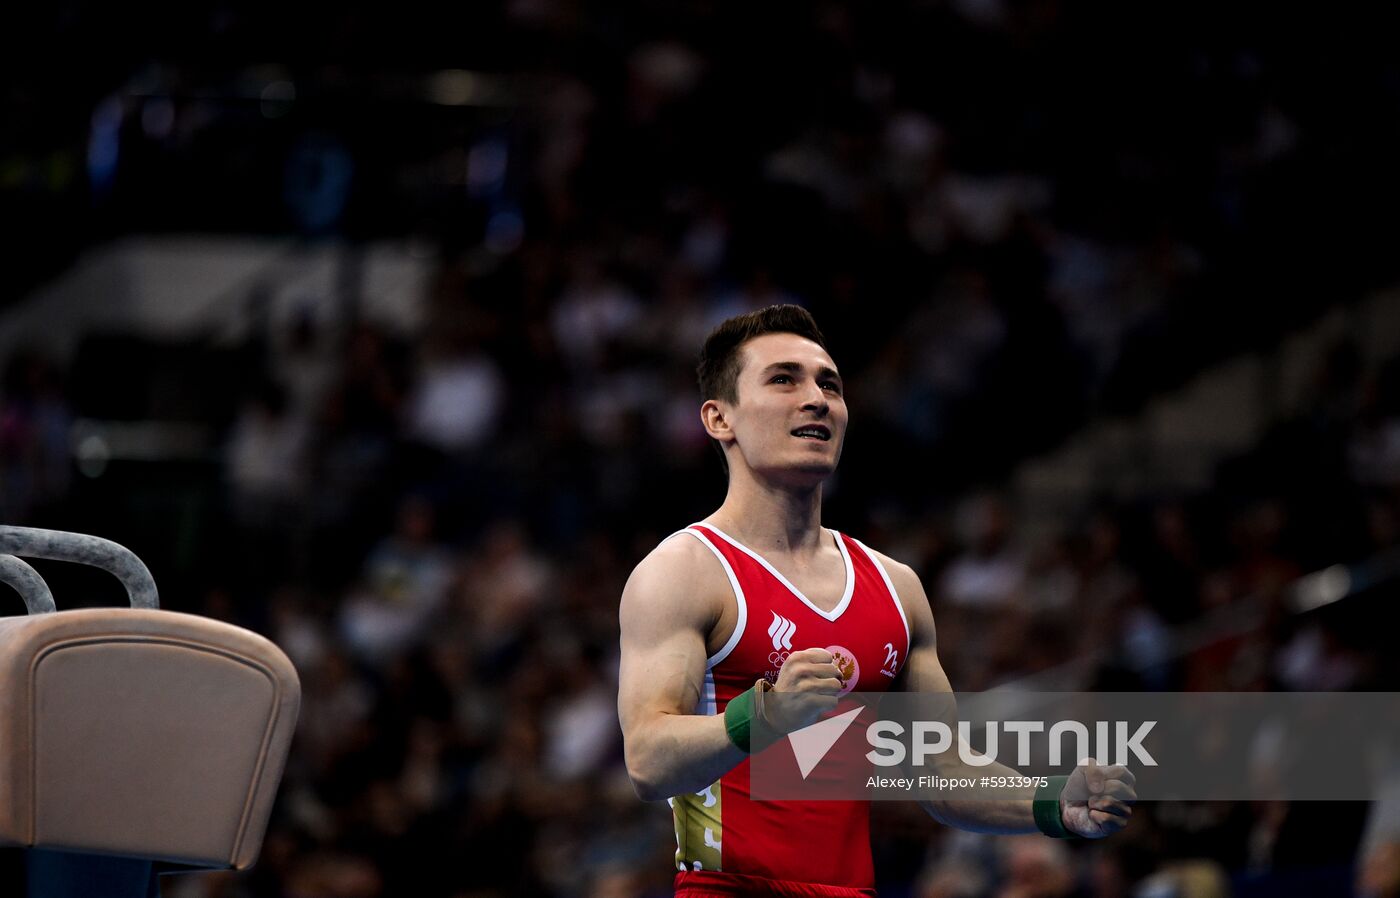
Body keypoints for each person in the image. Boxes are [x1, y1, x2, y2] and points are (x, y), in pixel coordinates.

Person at [618, 305, 1135, 897]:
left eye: (828, 383)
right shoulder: (685, 572)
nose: (816, 399)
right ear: (719, 418)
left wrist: (1052, 804)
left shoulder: (896, 589)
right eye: (783, 379)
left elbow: (942, 774)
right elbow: (648, 761)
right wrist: (759, 718)